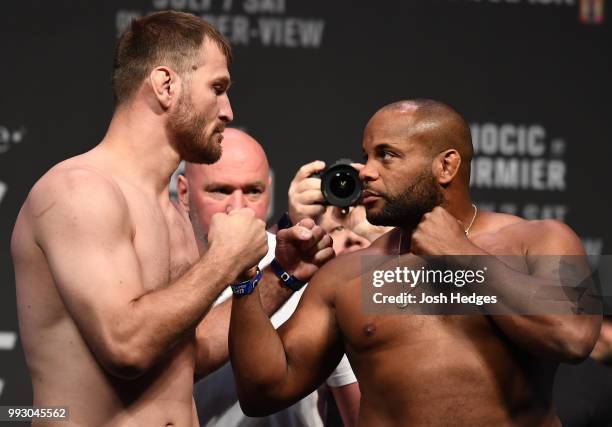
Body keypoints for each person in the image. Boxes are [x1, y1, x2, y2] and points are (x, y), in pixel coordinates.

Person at [10, 11, 331, 427]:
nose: (228, 110)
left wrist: (281, 276)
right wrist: (225, 259)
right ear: (165, 85)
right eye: (217, 88)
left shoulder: (171, 211)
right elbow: (127, 347)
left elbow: (185, 356)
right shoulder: (80, 191)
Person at [228, 99, 602, 426]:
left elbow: (573, 336)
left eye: (386, 155)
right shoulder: (349, 273)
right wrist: (248, 278)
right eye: (365, 156)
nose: (366, 171)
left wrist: (462, 255)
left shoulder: (541, 239)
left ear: (446, 166)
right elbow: (264, 391)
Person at [177, 128, 360, 426]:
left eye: (253, 191)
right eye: (220, 190)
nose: (237, 208)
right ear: (183, 192)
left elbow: (356, 411)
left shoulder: (309, 263)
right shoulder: (159, 270)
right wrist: (281, 277)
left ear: (270, 190)